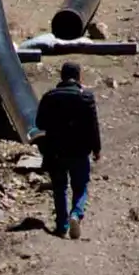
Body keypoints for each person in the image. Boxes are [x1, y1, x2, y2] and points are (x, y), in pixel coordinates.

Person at [35, 62, 102, 239]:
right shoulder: (85, 97)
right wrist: (96, 149)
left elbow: (39, 124)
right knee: (80, 186)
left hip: (55, 150)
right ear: (79, 76)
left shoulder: (49, 96)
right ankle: (76, 214)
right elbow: (93, 126)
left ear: (62, 76)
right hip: (79, 150)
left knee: (59, 187)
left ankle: (62, 225)